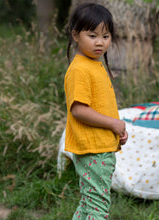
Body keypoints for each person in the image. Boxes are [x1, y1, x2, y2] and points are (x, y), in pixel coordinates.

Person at [64, 3, 128, 220]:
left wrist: (116, 130)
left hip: (100, 147)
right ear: (76, 35)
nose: (100, 42)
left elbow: (101, 107)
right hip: (92, 150)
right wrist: (113, 124)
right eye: (92, 35)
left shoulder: (94, 65)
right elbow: (79, 110)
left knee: (88, 204)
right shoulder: (80, 69)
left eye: (105, 36)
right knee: (97, 209)